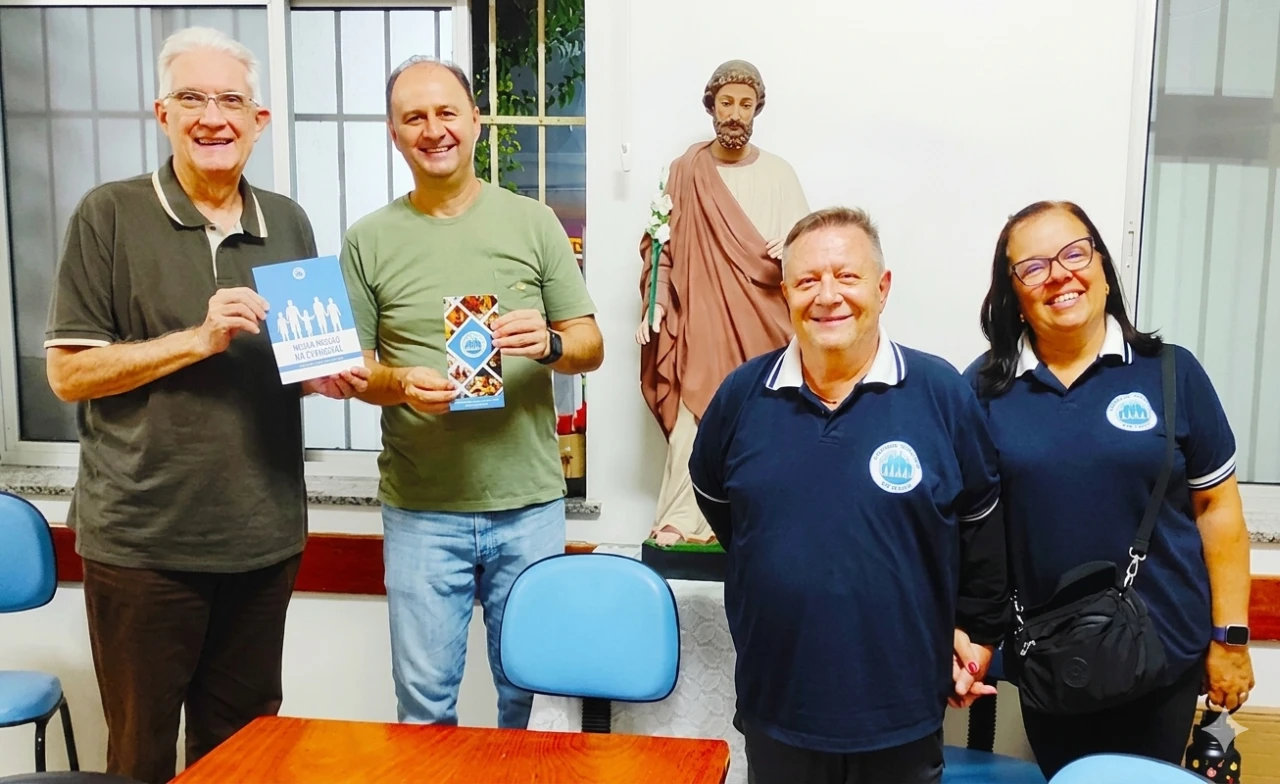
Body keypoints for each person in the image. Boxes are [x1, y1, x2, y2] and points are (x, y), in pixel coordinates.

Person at [42, 26, 367, 784]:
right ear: (162, 113)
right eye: (192, 98)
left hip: (263, 535)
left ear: (260, 120)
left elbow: (296, 361)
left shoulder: (286, 220)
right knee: (142, 755)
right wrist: (197, 338)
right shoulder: (108, 214)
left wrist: (323, 378)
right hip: (142, 541)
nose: (212, 117)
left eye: (231, 100)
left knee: (245, 754)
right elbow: (68, 375)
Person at [689, 207, 1007, 784]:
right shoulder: (741, 395)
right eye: (807, 280)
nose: (827, 295)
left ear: (882, 289)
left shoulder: (940, 395)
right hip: (779, 704)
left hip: (902, 710)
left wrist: (977, 634)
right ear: (785, 293)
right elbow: (719, 502)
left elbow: (981, 526)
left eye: (847, 276)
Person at [340, 56, 603, 729]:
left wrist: (547, 342)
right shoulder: (368, 239)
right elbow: (352, 372)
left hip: (530, 507)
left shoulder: (534, 222)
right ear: (394, 133)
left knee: (534, 700)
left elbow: (591, 345)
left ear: (475, 122)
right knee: (424, 708)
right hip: (421, 510)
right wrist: (398, 382)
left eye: (447, 112)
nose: (434, 130)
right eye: (414, 118)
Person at [964, 200, 1255, 779]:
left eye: (1075, 253)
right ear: (1012, 292)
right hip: (1049, 658)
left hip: (1166, 654)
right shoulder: (981, 390)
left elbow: (1216, 508)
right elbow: (966, 530)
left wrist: (1230, 639)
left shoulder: (1172, 373)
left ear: (1101, 264)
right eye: (1034, 266)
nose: (1060, 275)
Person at [637, 59, 810, 547]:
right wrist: (655, 305)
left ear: (758, 111)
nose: (735, 113)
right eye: (727, 102)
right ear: (711, 105)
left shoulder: (780, 174)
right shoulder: (685, 170)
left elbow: (806, 251)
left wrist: (790, 249)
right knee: (696, 412)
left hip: (762, 316)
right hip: (702, 315)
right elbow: (660, 244)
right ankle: (679, 514)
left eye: (746, 104)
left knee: (763, 415)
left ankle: (762, 516)